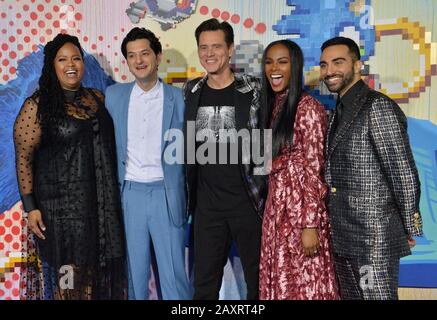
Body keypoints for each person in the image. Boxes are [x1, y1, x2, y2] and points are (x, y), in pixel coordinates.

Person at [13, 33, 126, 300]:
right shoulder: (37, 106)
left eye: (76, 57)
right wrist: (31, 208)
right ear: (52, 66)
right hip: (59, 217)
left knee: (89, 282)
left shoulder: (96, 99)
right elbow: (23, 158)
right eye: (62, 59)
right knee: (68, 283)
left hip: (97, 212)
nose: (70, 64)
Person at [319, 36, 423, 299]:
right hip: (344, 236)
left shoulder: (377, 107)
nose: (329, 70)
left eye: (338, 62)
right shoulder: (337, 111)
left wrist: (409, 227)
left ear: (357, 65)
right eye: (324, 64)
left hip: (374, 238)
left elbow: (403, 173)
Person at [105, 27, 191, 300]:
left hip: (167, 194)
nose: (139, 60)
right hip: (129, 194)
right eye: (132, 56)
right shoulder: (112, 97)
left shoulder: (179, 98)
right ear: (127, 61)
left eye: (144, 53)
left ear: (158, 56)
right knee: (134, 277)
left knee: (174, 277)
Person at [184, 18, 267, 300]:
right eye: (203, 47)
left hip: (248, 203)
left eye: (216, 46)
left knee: (258, 282)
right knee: (204, 285)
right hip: (207, 207)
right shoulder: (190, 91)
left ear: (230, 49)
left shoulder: (254, 89)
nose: (209, 53)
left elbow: (264, 146)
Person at [258, 40, 339, 300]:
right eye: (269, 62)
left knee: (305, 287)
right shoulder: (272, 107)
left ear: (296, 66)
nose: (274, 68)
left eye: (282, 61)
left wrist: (310, 225)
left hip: (300, 218)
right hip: (276, 215)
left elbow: (316, 171)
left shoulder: (309, 109)